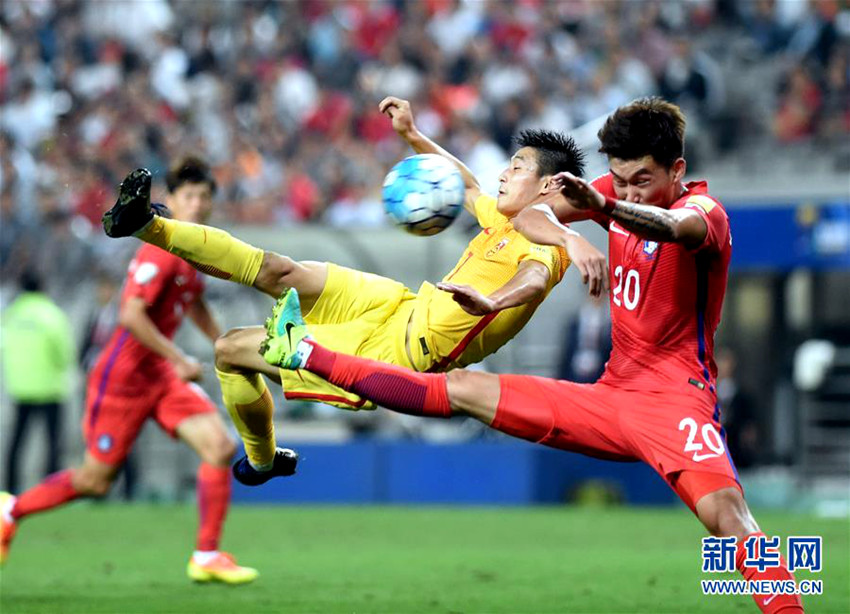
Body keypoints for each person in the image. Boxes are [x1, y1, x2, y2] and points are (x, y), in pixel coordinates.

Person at [259, 98, 804, 614]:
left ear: (676, 170)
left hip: (675, 403)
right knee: (465, 389)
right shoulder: (608, 191)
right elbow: (526, 216)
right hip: (610, 396)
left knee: (730, 521)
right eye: (621, 178)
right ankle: (304, 351)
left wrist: (607, 209)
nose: (632, 191)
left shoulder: (704, 211)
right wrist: (573, 237)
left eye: (644, 180)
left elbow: (673, 228)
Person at [99, 96, 607, 487]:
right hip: (396, 303)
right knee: (281, 270)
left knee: (230, 349)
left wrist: (495, 301)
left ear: (549, 186)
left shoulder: (550, 245)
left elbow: (536, 276)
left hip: (397, 353)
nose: (505, 171)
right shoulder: (506, 217)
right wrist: (413, 134)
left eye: (518, 166)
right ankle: (145, 223)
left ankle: (261, 458)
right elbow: (467, 184)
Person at [1, 157, 262, 584]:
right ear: (172, 200)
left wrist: (223, 345)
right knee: (95, 481)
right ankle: (11, 510)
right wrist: (178, 357)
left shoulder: (194, 250)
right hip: (121, 380)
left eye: (204, 197)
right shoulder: (159, 252)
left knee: (218, 447)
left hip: (158, 376)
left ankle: (207, 555)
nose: (196, 204)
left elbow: (193, 300)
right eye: (188, 196)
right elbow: (130, 315)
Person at [1, 270, 74, 494]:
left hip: (21, 386)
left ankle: (10, 489)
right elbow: (64, 352)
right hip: (49, 387)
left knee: (17, 442)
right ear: (42, 286)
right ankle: (52, 491)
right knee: (52, 443)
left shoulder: (11, 314)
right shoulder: (51, 314)